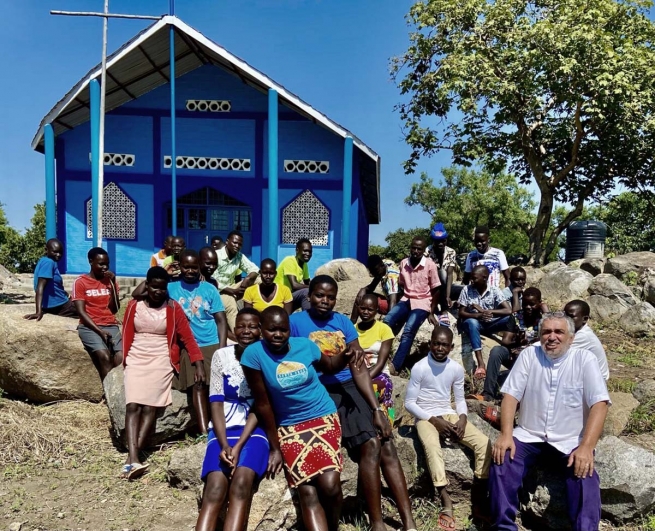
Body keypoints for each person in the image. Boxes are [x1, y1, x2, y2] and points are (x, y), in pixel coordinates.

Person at [292, 275, 417, 531]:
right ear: (309, 296)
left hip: (349, 386)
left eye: (330, 297)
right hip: (320, 389)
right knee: (371, 443)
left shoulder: (342, 323)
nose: (325, 301)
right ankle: (377, 523)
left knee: (386, 443)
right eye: (319, 295)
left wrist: (375, 409)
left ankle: (409, 522)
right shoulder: (295, 323)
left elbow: (358, 367)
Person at [489, 312, 610, 531]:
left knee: (585, 477)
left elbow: (599, 404)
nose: (551, 337)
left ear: (571, 338)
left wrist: (586, 447)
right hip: (530, 434)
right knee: (502, 460)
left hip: (570, 439)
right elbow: (510, 396)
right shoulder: (529, 355)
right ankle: (504, 527)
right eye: (546, 332)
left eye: (558, 332)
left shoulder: (584, 360)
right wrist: (506, 434)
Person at [241, 307, 357, 531]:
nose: (278, 334)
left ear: (289, 330)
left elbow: (331, 366)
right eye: (271, 330)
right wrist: (275, 447)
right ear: (262, 330)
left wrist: (348, 353)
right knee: (307, 490)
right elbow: (263, 403)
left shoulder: (305, 346)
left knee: (330, 485)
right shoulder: (254, 355)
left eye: (283, 330)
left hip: (322, 415)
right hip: (289, 425)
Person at [121, 266, 206, 480]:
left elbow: (187, 338)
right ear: (146, 286)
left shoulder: (173, 308)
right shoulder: (134, 306)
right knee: (132, 405)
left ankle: (132, 457)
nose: (158, 291)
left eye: (162, 287)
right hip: (137, 355)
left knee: (150, 407)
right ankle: (133, 457)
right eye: (154, 287)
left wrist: (198, 363)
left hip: (161, 357)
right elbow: (126, 332)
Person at [405, 327, 492, 530]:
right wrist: (434, 421)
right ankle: (445, 498)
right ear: (430, 343)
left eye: (444, 345)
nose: (440, 348)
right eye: (436, 343)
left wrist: (462, 418)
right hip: (425, 416)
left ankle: (478, 497)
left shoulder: (455, 368)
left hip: (448, 412)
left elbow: (460, 399)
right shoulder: (420, 367)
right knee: (432, 447)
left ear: (451, 347)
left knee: (483, 443)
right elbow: (409, 403)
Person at [196, 308, 269, 531]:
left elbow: (261, 406)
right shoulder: (222, 356)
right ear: (233, 329)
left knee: (241, 483)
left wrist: (237, 446)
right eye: (241, 326)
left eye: (252, 326)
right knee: (215, 487)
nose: (246, 331)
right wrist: (225, 443)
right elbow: (216, 402)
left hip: (253, 429)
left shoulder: (266, 357)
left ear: (261, 330)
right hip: (223, 428)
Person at [168, 249, 228, 434]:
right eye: (186, 267)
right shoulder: (171, 288)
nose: (191, 271)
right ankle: (204, 431)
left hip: (210, 341)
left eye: (194, 267)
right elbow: (140, 292)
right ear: (180, 267)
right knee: (198, 383)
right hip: (187, 344)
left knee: (216, 385)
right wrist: (165, 272)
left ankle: (221, 425)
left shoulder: (209, 289)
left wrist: (222, 348)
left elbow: (221, 320)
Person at [383, 236, 440, 374]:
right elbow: (402, 285)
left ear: (423, 251)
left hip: (422, 301)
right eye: (413, 248)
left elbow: (437, 289)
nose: (415, 251)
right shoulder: (404, 263)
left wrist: (431, 312)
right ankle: (378, 356)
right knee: (387, 321)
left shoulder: (430, 265)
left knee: (408, 330)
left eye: (419, 249)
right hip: (406, 299)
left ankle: (396, 366)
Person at [483, 287, 545, 403]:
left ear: (539, 304)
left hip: (533, 359)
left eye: (532, 304)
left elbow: (548, 341)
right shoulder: (517, 316)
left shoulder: (543, 319)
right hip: (514, 355)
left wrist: (530, 344)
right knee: (497, 351)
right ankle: (488, 394)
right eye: (525, 304)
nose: (528, 307)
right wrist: (517, 342)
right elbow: (505, 341)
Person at [71, 247, 122, 381]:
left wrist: (112, 284)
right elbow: (81, 312)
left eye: (107, 264)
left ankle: (121, 391)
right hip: (90, 327)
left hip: (110, 324)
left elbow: (115, 308)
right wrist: (100, 332)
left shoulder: (110, 281)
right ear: (90, 261)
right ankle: (110, 394)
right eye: (101, 264)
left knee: (121, 357)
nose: (105, 267)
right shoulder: (80, 282)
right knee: (104, 356)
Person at [457, 265, 512, 380]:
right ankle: (481, 364)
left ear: (485, 278)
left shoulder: (494, 290)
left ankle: (509, 346)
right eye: (472, 278)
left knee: (510, 318)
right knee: (472, 322)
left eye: (475, 278)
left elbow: (508, 310)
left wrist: (487, 312)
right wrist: (478, 315)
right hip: (474, 323)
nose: (472, 280)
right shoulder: (467, 289)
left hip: (489, 323)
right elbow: (461, 312)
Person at [355, 293, 396, 424]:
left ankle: (386, 425)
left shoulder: (384, 329)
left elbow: (381, 363)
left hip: (379, 374)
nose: (366, 312)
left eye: (370, 309)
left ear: (377, 311)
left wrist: (362, 380)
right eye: (363, 308)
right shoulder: (352, 330)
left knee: (371, 390)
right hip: (356, 374)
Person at [212, 230, 260, 331]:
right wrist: (233, 291)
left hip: (233, 287)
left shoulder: (239, 256)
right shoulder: (216, 255)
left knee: (259, 279)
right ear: (227, 241)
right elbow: (214, 281)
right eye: (234, 242)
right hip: (218, 291)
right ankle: (237, 332)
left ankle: (260, 309)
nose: (237, 246)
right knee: (230, 303)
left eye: (240, 244)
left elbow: (255, 269)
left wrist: (246, 279)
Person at [24, 238, 78, 320]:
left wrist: (68, 295)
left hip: (56, 303)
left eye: (60, 252)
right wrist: (38, 311)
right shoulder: (49, 262)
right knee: (90, 310)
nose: (58, 255)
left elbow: (54, 286)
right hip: (59, 305)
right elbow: (40, 287)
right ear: (46, 250)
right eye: (55, 252)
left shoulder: (44, 261)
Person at [564, 300, 610, 380]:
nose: (565, 319)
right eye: (564, 315)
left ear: (584, 319)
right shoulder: (574, 331)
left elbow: (558, 352)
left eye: (571, 317)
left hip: (596, 381)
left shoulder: (583, 336)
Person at [425, 222, 460, 326]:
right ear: (433, 241)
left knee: (465, 289)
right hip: (431, 286)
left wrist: (448, 296)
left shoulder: (451, 252)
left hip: (445, 286)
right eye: (437, 241)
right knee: (439, 273)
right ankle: (442, 310)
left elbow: (450, 275)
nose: (440, 244)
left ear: (446, 240)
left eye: (443, 241)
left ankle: (448, 307)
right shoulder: (427, 251)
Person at [349, 254, 400, 323]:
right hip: (390, 299)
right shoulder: (385, 265)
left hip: (397, 305)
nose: (373, 274)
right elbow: (373, 286)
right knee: (362, 294)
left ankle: (352, 323)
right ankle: (352, 323)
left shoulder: (391, 278)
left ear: (381, 266)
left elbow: (393, 300)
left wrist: (389, 321)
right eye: (372, 272)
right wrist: (363, 289)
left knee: (366, 300)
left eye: (375, 271)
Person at [275, 238, 312, 312]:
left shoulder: (304, 264)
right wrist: (314, 287)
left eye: (310, 252)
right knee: (306, 292)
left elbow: (308, 282)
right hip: (279, 296)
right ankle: (308, 319)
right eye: (305, 251)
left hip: (288, 295)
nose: (307, 254)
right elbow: (294, 285)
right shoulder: (290, 261)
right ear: (297, 250)